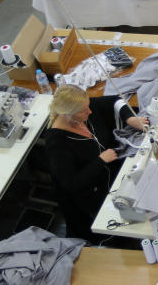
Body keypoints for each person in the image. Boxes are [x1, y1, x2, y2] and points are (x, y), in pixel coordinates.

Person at [45, 85, 148, 241]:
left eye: (88, 106)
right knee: (136, 223)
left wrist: (130, 118)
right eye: (84, 111)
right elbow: (71, 185)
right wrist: (100, 161)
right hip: (93, 195)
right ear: (67, 115)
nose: (90, 111)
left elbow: (115, 100)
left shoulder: (83, 107)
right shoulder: (57, 145)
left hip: (113, 174)